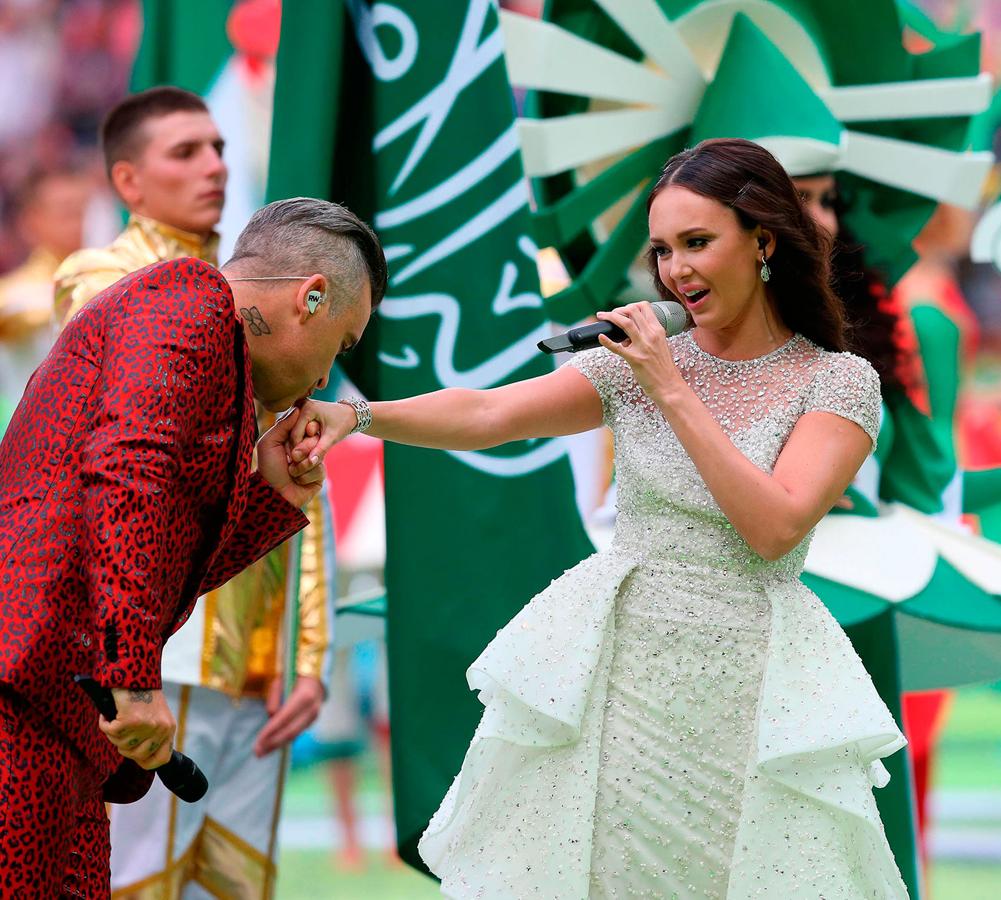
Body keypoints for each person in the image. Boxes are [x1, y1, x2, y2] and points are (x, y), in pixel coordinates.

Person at [291, 139, 908, 897]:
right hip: (620, 680)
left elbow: (775, 525)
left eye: (696, 243)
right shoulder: (634, 365)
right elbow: (489, 412)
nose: (675, 270)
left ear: (763, 242)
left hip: (754, 688)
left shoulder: (835, 381)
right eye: (661, 249)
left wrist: (671, 389)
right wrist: (355, 414)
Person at [0, 195, 387, 898]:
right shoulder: (188, 300)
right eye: (343, 343)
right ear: (311, 297)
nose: (328, 376)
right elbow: (127, 478)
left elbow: (163, 569)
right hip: (19, 693)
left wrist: (269, 497)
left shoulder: (218, 359)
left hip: (62, 715)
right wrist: (135, 677)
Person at [52, 87, 339, 898]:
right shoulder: (106, 280)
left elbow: (297, 466)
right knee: (138, 877)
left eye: (217, 147)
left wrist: (304, 651)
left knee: (239, 884)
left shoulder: (271, 295)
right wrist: (131, 663)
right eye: (184, 152)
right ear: (127, 182)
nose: (213, 166)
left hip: (253, 647)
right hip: (156, 646)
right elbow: (140, 466)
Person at [0, 164, 93, 433]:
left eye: (82, 211)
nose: (79, 222)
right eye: (66, 212)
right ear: (31, 221)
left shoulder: (105, 280)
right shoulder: (13, 293)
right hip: (31, 442)